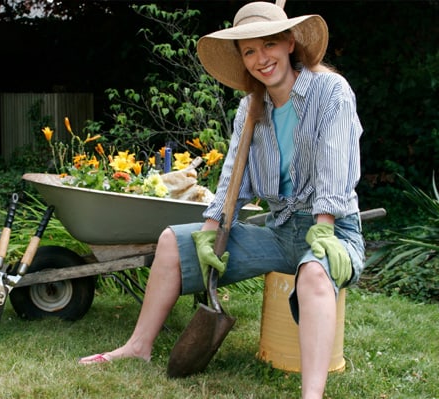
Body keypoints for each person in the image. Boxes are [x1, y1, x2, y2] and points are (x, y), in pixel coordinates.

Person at [79, 1, 364, 398]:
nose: (261, 59)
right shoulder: (250, 109)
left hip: (330, 230)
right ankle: (138, 346)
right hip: (279, 231)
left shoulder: (330, 91)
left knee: (315, 274)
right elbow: (234, 175)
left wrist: (325, 227)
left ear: (289, 42)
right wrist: (210, 232)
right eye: (249, 51)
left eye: (268, 45)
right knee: (170, 243)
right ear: (242, 60)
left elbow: (337, 160)